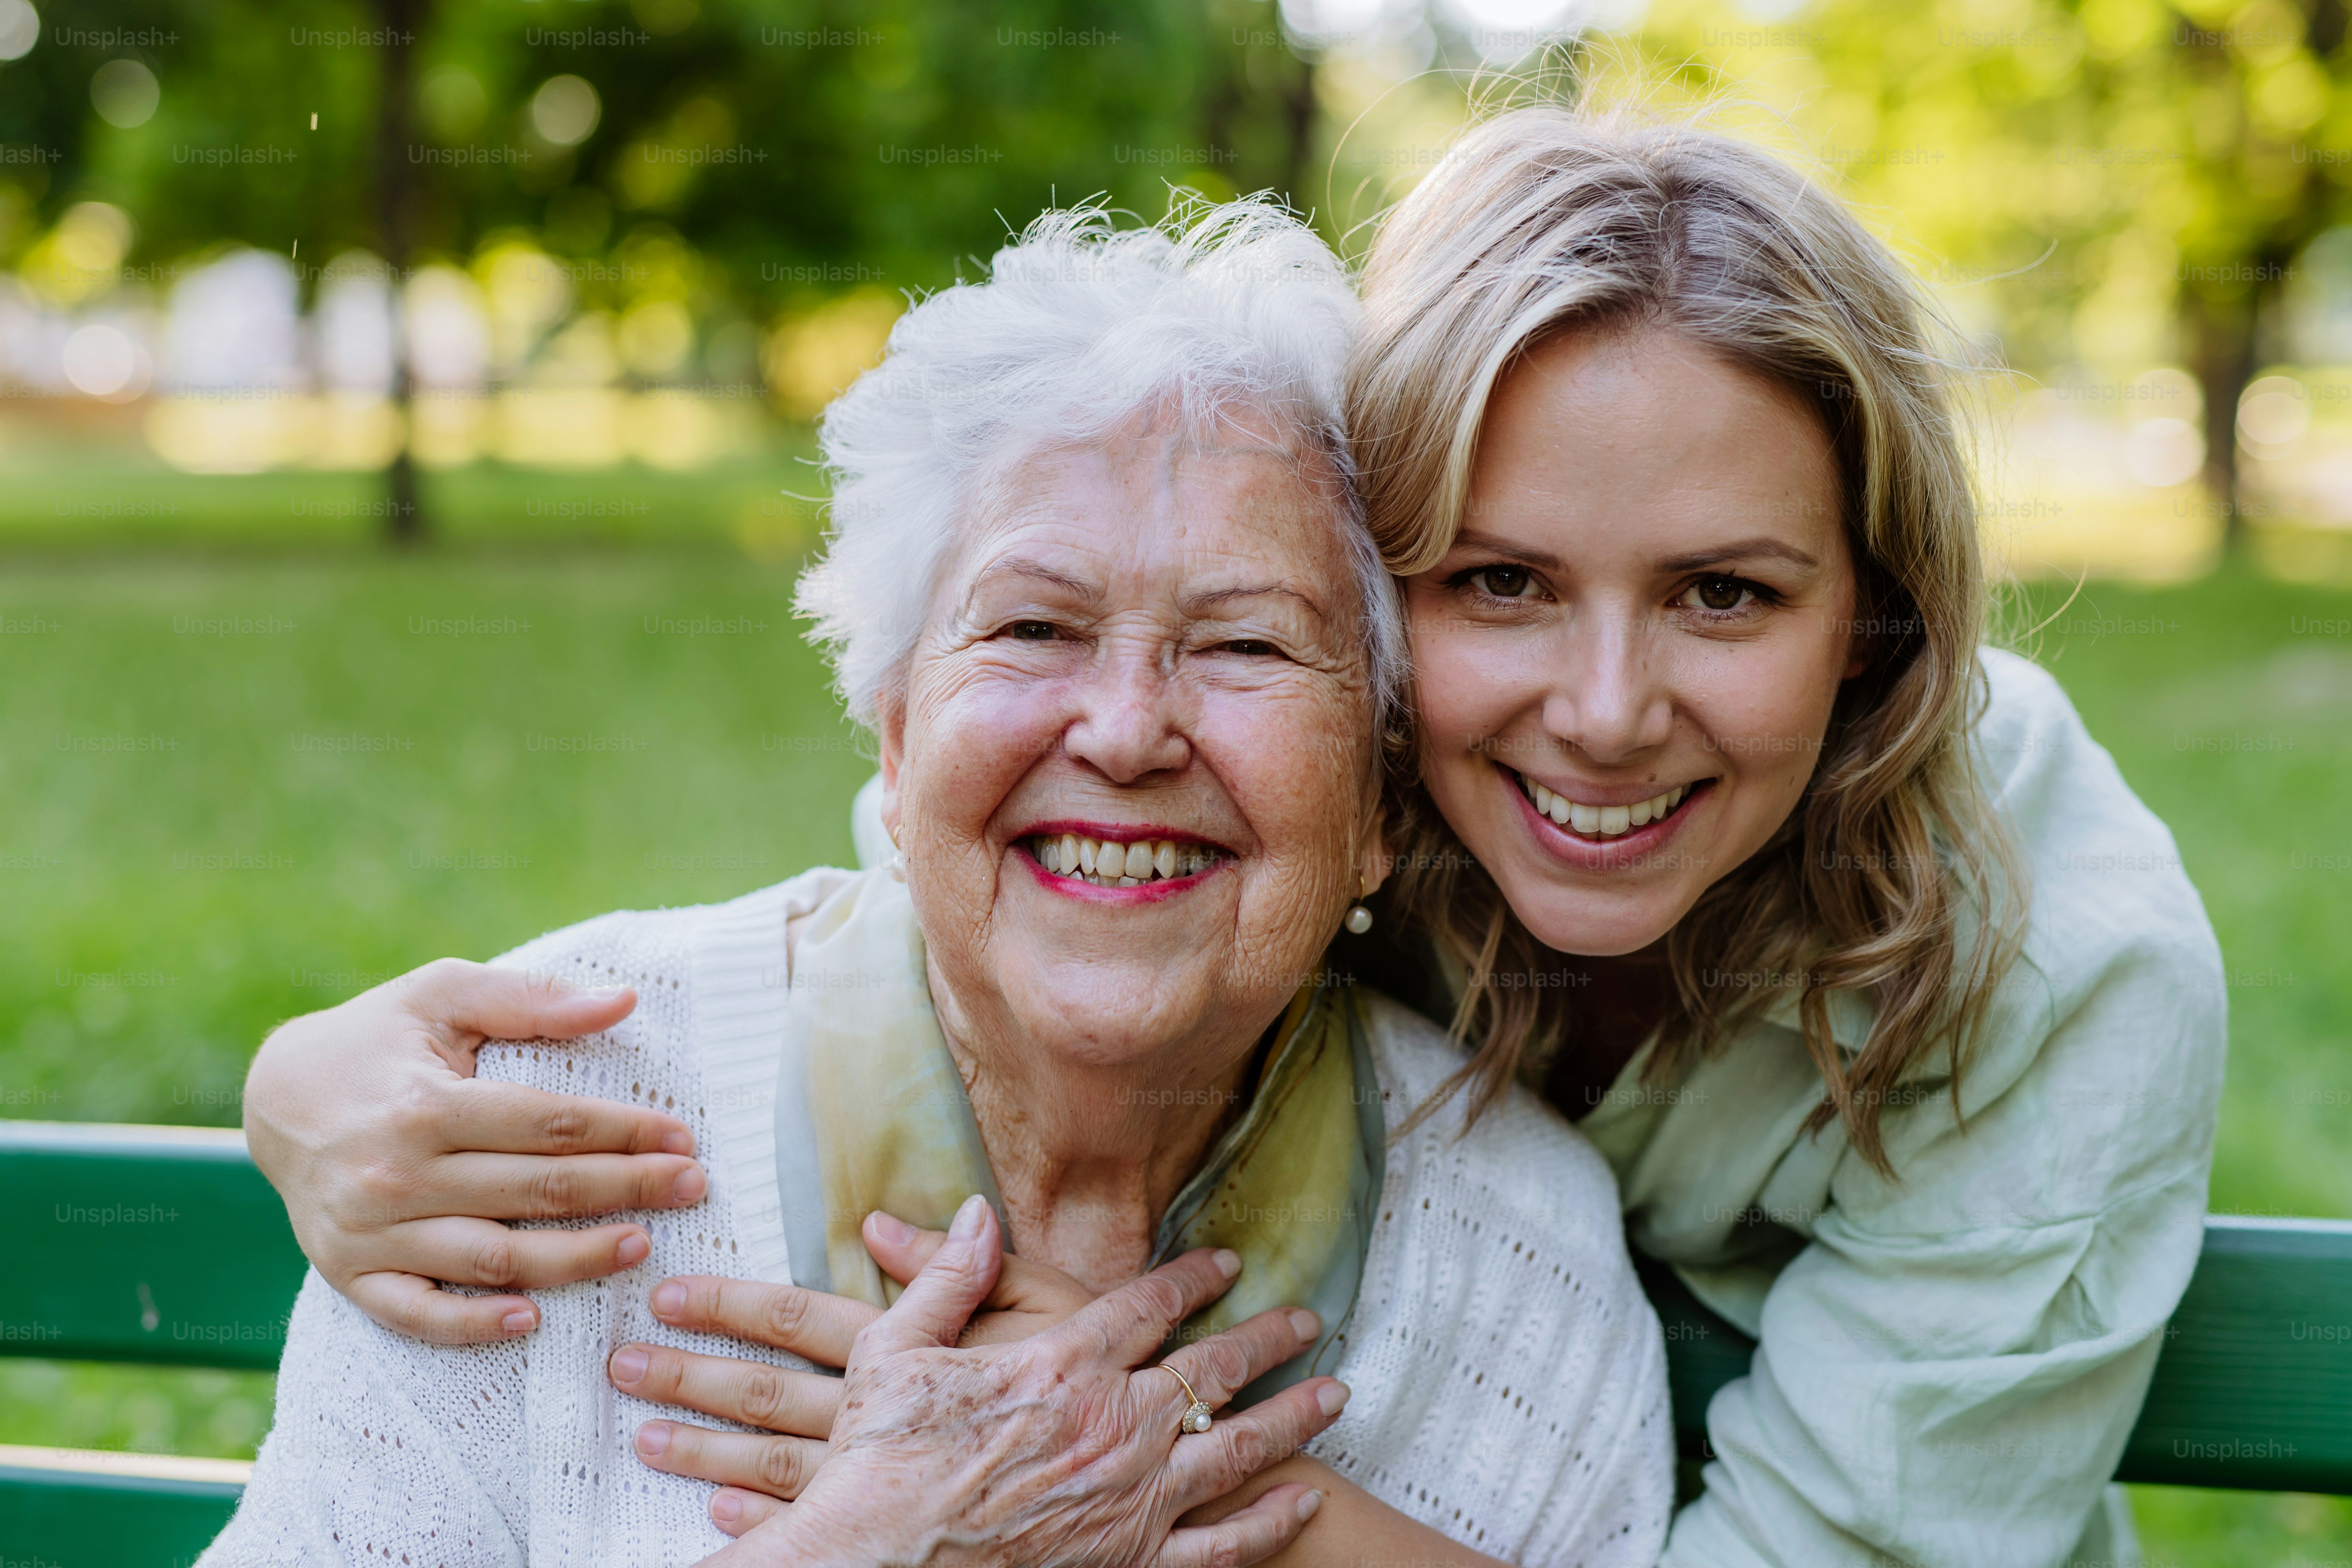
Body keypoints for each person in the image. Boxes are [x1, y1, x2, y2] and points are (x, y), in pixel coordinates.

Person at [240, 105, 2225, 1568]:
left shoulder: (2057, 979)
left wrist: (1128, 1457)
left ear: (1876, 607)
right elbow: (1021, 837)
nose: (1605, 709)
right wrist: (295, 1083)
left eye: (1725, 592)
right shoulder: (1280, 786)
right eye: (1503, 579)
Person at [204, 200, 1673, 1568]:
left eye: (1244, 645)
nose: (1124, 728)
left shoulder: (1516, 1265)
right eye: (1033, 627)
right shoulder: (526, 1139)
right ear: (897, 747)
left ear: (1378, 802)